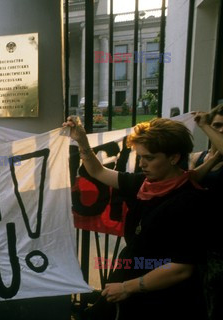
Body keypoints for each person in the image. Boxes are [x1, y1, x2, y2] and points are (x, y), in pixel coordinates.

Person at [62, 117, 207, 319]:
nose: (142, 164)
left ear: (174, 158)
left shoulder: (190, 201)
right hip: (132, 288)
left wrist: (127, 287)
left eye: (150, 158)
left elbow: (181, 268)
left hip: (166, 301)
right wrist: (82, 141)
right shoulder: (145, 183)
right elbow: (97, 171)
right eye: (140, 156)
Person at [191, 105, 223, 320]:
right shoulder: (198, 157)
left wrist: (205, 126)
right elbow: (189, 181)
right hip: (197, 240)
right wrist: (213, 158)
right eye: (217, 125)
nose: (220, 131)